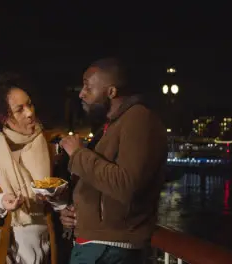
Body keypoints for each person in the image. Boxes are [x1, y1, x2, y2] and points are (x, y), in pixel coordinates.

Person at [59, 58, 168, 264]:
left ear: (111, 92)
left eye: (88, 87)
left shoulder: (139, 119)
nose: (82, 93)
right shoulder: (112, 125)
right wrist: (74, 213)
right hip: (96, 246)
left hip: (110, 249)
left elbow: (126, 184)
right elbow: (100, 185)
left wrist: (78, 154)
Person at [0, 72, 63, 264]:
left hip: (46, 251)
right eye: (20, 109)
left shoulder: (53, 148)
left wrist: (58, 200)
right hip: (1, 254)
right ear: (3, 117)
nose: (30, 113)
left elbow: (68, 202)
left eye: (30, 104)